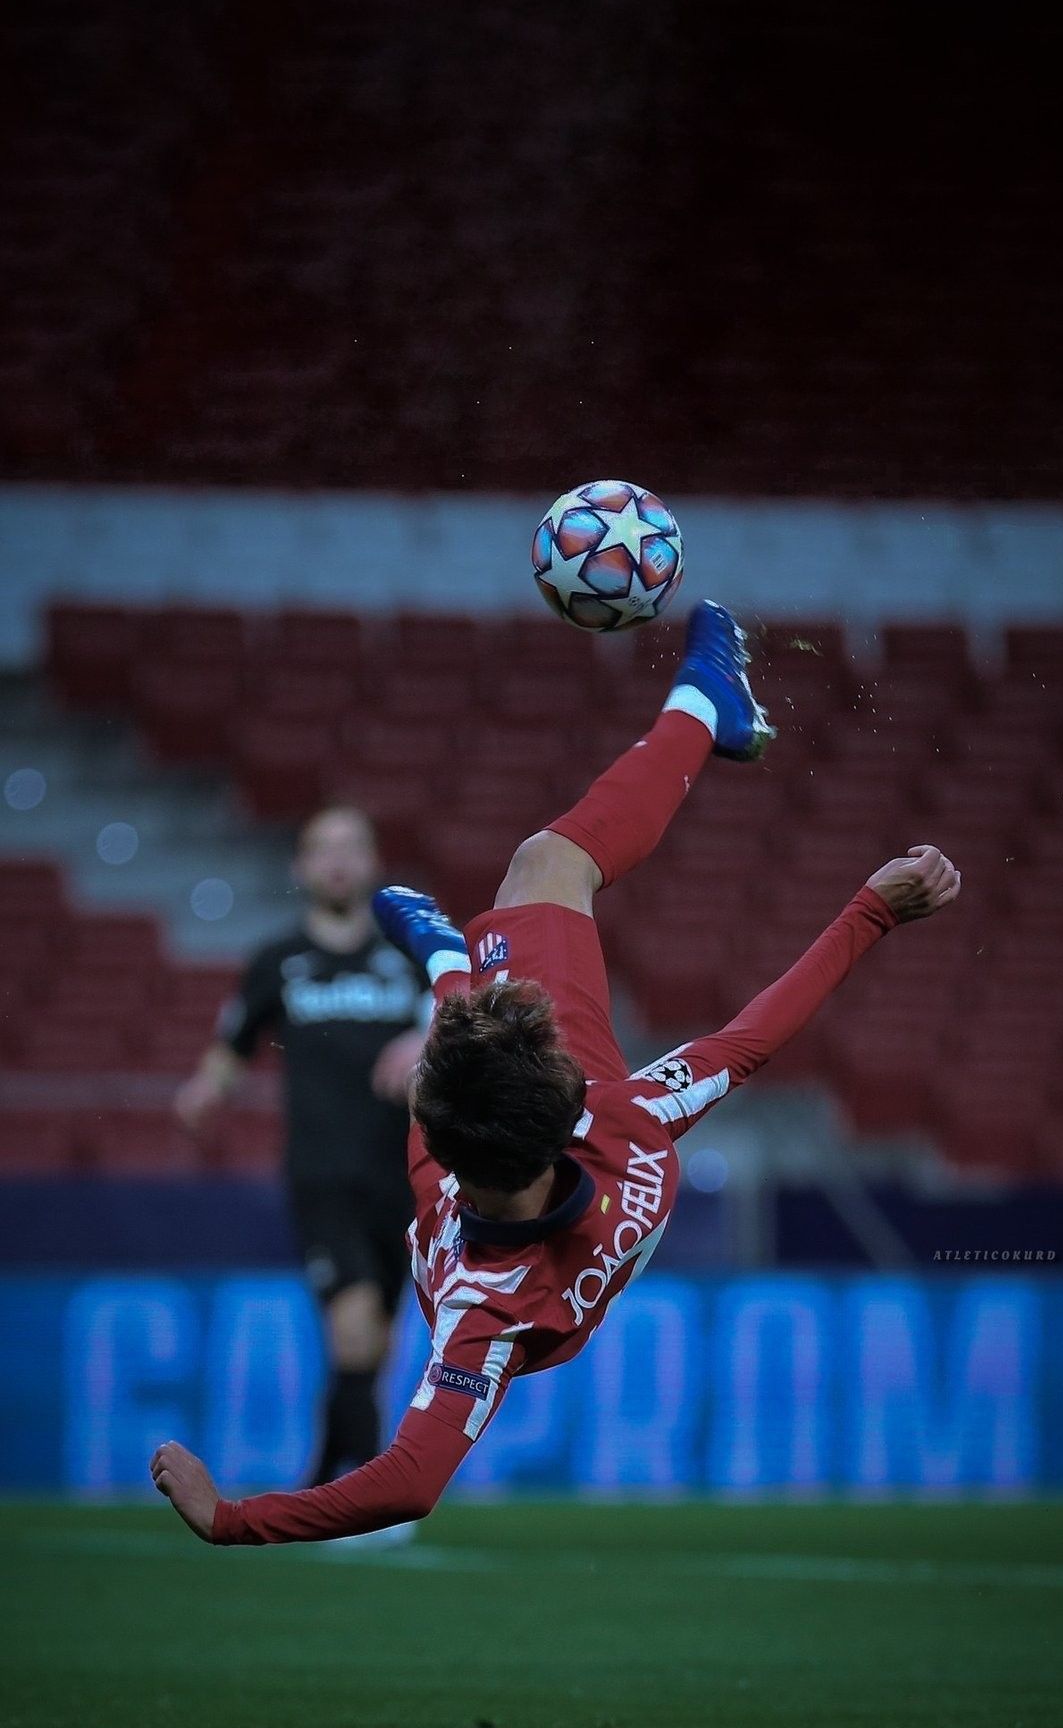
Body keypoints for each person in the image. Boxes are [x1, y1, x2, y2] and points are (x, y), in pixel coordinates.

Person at [153, 602, 960, 1544]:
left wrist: (227, 1519)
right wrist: (869, 911)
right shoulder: (614, 1134)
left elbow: (411, 1482)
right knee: (538, 877)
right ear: (564, 1101)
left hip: (504, 1161)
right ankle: (699, 712)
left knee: (520, 905)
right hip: (561, 1177)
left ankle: (456, 957)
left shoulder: (460, 1238)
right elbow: (750, 1040)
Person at [173, 804, 429, 1489]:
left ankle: (321, 1482)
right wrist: (205, 1089)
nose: (338, 860)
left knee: (374, 1347)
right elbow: (232, 1043)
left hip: (405, 1181)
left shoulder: (410, 958)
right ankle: (371, 1496)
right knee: (353, 1331)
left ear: (374, 863)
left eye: (351, 847)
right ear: (301, 867)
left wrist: (425, 1038)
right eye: (323, 848)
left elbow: (464, 1017)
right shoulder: (278, 961)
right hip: (322, 1177)